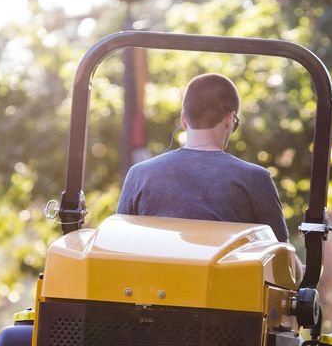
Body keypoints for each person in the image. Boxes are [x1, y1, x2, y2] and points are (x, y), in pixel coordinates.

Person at [116, 73, 289, 242]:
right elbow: (281, 255)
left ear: (184, 119)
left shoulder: (139, 175)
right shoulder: (256, 179)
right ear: (230, 119)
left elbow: (119, 246)